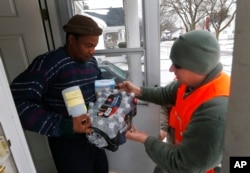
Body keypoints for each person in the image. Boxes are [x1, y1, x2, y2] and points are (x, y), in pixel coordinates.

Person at [117, 30, 230, 173]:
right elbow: (166, 94)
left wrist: (145, 139)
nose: (171, 69)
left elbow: (183, 165)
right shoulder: (192, 81)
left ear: (197, 66)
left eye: (177, 65)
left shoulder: (216, 112)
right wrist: (137, 91)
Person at [10, 14, 109, 173]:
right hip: (67, 142)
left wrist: (113, 96)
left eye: (95, 46)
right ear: (71, 39)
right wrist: (66, 125)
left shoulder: (91, 62)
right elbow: (17, 103)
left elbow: (99, 85)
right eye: (88, 45)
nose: (92, 51)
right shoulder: (48, 63)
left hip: (94, 135)